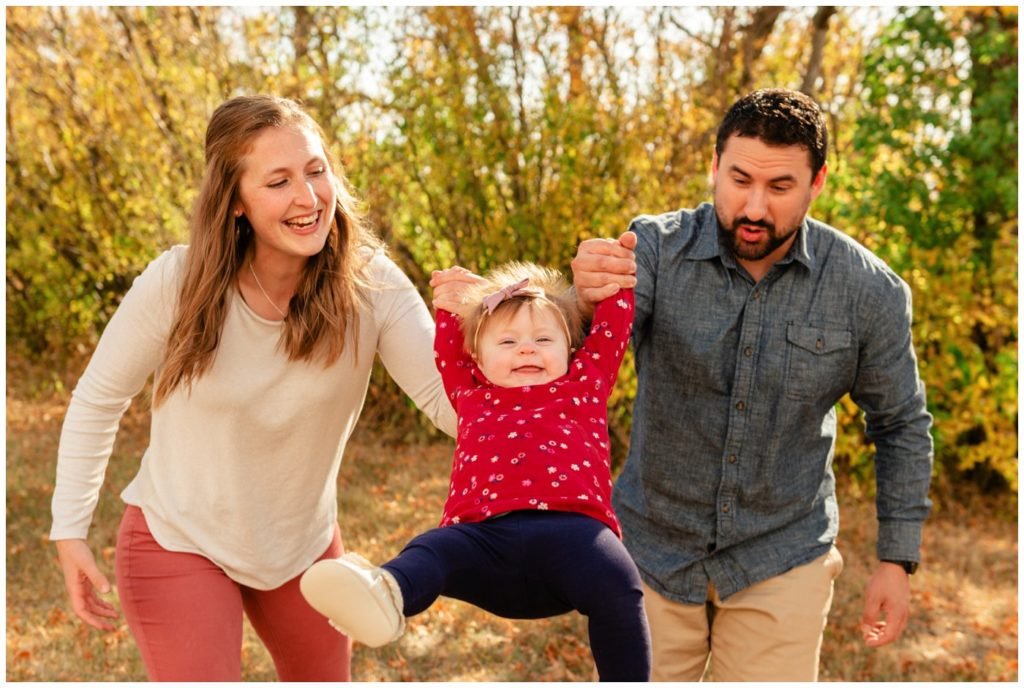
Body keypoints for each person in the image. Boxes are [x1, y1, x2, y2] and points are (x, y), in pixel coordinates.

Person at [49, 94, 457, 681]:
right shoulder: (177, 282)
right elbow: (98, 399)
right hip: (178, 538)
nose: (308, 197)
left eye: (316, 171)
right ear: (235, 201)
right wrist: (70, 530)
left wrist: (533, 352)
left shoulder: (372, 284)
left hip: (302, 546)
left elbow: (450, 405)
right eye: (278, 181)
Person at [570, 88, 934, 681]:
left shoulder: (870, 292)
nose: (755, 207)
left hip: (783, 553)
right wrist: (581, 303)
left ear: (817, 183)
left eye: (781, 187)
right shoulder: (655, 250)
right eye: (739, 180)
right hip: (652, 550)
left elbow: (899, 424)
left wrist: (896, 558)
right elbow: (584, 368)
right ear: (714, 167)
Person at [300, 261, 652, 681]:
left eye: (543, 339)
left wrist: (616, 282)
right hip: (484, 542)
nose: (527, 349)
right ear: (478, 360)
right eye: (507, 341)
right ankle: (386, 594)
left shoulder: (586, 384)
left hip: (573, 538)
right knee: (432, 548)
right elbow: (446, 351)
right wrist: (450, 305)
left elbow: (612, 331)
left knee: (619, 578)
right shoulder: (469, 393)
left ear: (570, 350)